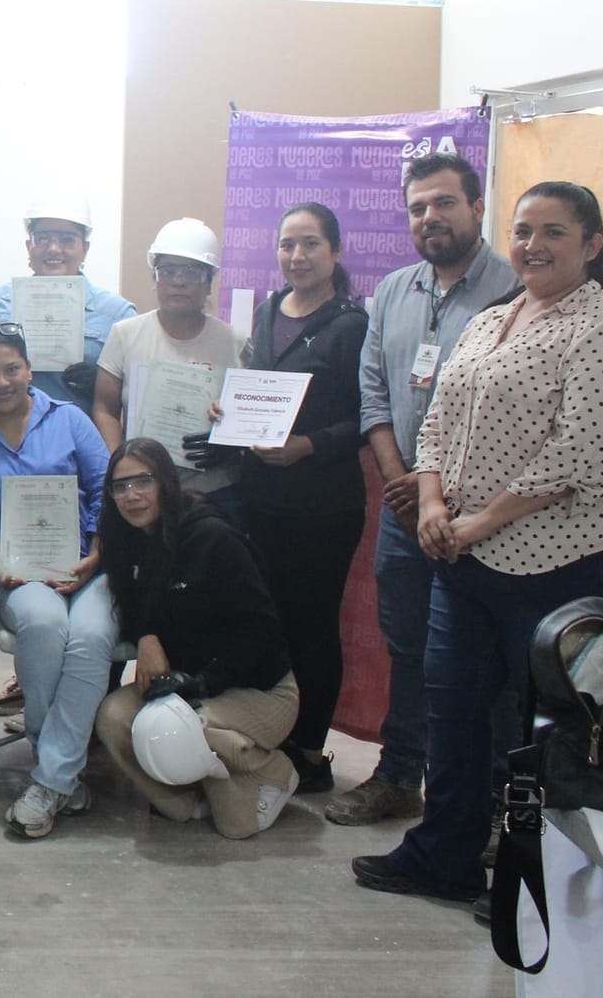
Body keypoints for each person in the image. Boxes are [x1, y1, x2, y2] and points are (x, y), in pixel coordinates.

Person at [354, 181, 603, 905]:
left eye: (554, 232)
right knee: (454, 706)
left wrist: (478, 520)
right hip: (466, 555)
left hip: (574, 556)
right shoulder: (494, 319)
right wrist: (431, 501)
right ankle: (444, 853)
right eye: (524, 230)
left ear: (591, 245)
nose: (533, 245)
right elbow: (436, 422)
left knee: (543, 725)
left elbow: (580, 453)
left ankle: (537, 877)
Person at [330, 152, 514, 828]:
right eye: (417, 207)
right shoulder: (393, 291)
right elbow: (373, 390)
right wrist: (399, 478)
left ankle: (491, 798)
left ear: (476, 208)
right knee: (407, 645)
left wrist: (438, 486)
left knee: (484, 654)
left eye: (443, 203)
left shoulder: (515, 289)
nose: (430, 217)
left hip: (487, 515)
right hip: (407, 510)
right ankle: (400, 774)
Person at [0, 322, 112, 838]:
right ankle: (61, 771)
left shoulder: (72, 420)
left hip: (89, 564)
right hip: (19, 570)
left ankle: (50, 778)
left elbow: (107, 487)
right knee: (42, 623)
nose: (2, 382)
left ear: (29, 369)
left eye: (11, 369)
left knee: (91, 636)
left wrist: (97, 551)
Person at [92, 439, 301, 839]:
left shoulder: (213, 538)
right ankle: (187, 800)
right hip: (183, 689)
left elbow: (263, 634)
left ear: (167, 483)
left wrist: (205, 683)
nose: (131, 495)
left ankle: (274, 770)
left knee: (234, 825)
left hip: (257, 691)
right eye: (120, 486)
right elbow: (133, 602)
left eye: (143, 481)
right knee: (114, 717)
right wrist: (146, 635)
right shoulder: (128, 539)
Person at [234, 202, 369, 796]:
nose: (297, 255)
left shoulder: (353, 325)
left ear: (335, 252)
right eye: (287, 244)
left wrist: (309, 445)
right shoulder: (268, 311)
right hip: (259, 500)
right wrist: (229, 413)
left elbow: (370, 415)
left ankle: (310, 752)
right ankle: (272, 738)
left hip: (323, 504)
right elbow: (257, 389)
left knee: (313, 626)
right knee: (271, 623)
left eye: (310, 244)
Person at [92, 217, 245, 510]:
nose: (179, 280)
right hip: (142, 493)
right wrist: (119, 467)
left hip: (215, 491)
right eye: (168, 270)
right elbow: (104, 408)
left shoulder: (235, 342)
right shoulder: (125, 334)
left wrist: (229, 446)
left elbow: (247, 416)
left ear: (209, 281)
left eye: (192, 271)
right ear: (155, 279)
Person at [0, 193, 138, 409]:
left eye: (67, 239)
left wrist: (104, 384)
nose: (54, 249)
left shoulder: (118, 315)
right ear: (29, 246)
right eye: (43, 238)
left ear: (84, 248)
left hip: (81, 438)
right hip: (6, 437)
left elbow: (137, 395)